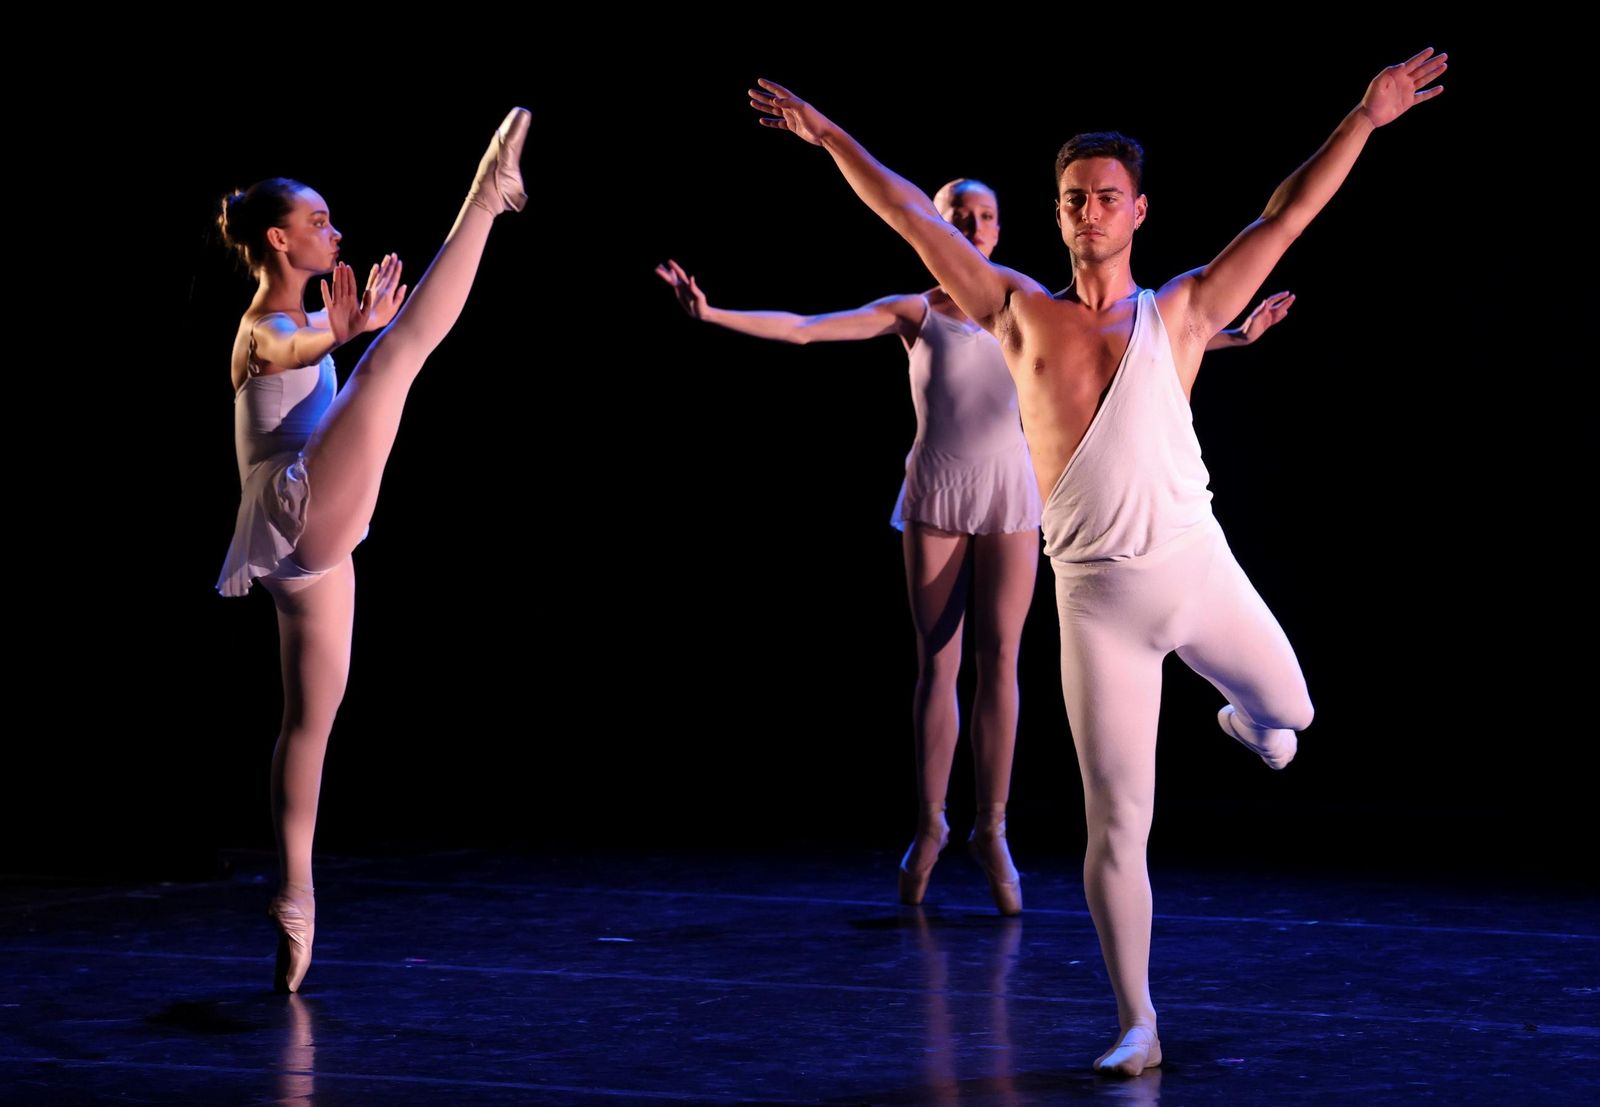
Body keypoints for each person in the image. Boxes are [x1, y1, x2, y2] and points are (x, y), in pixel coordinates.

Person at [747, 47, 1444, 1075]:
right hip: (1095, 607)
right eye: (1073, 199)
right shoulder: (1017, 312)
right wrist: (828, 137)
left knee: (1292, 717)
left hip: (1196, 573)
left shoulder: (1186, 311)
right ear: (1060, 210)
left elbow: (1286, 216)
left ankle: (1247, 719)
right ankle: (1137, 1020)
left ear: (1138, 212)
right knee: (1116, 823)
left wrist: (1366, 114)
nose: (1087, 213)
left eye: (1106, 199)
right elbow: (910, 217)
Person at [656, 188, 1290, 916]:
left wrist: (1235, 337)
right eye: (957, 215)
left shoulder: (1027, 308)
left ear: (999, 230)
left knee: (1001, 661)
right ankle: (930, 824)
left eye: (985, 217)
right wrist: (711, 313)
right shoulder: (915, 312)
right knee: (938, 661)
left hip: (1013, 495)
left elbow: (1140, 343)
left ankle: (993, 828)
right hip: (937, 494)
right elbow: (806, 328)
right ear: (935, 225)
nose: (973, 227)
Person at [215, 107, 531, 992]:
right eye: (319, 222)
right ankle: (485, 196)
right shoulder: (261, 326)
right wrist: (343, 335)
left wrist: (344, 334)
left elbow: (318, 347)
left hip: (308, 550)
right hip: (299, 507)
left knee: (309, 727)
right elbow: (289, 345)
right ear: (279, 240)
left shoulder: (300, 311)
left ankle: (296, 897)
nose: (336, 230)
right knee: (397, 355)